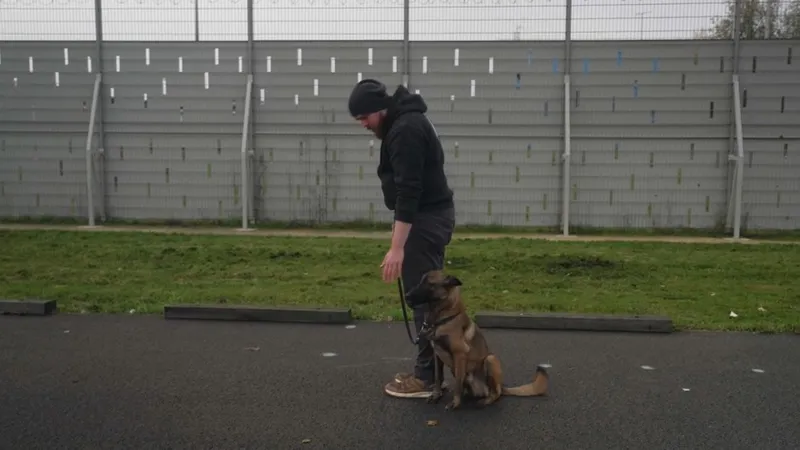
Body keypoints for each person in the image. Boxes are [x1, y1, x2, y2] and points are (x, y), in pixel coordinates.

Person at [348, 78, 456, 399]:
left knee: (423, 299)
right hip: (430, 218)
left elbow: (409, 192)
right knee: (432, 298)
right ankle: (433, 373)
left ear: (379, 110)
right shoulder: (407, 121)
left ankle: (425, 379)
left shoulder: (405, 130)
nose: (363, 125)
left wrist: (397, 247)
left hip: (424, 221)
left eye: (364, 118)